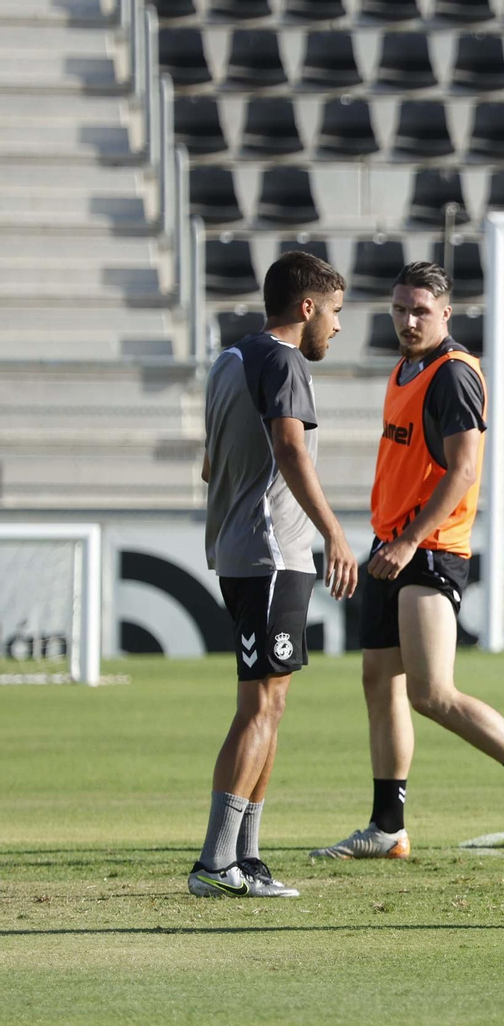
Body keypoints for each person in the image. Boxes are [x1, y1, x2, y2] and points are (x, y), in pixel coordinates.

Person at [312, 262, 504, 862]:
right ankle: (388, 827)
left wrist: (409, 541)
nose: (408, 321)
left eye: (421, 311)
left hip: (429, 549)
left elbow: (463, 470)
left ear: (446, 315)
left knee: (432, 692)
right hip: (393, 546)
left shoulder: (454, 374)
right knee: (380, 684)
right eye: (400, 310)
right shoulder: (405, 368)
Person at [191, 251, 360, 898]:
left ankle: (246, 856)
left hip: (253, 553)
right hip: (270, 554)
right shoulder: (283, 360)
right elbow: (290, 447)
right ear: (307, 308)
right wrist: (335, 535)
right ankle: (214, 862)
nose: (339, 328)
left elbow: (211, 465)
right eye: (336, 313)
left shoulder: (231, 359)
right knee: (259, 705)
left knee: (272, 703)